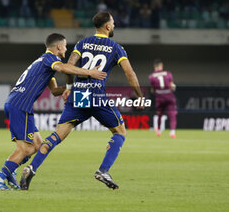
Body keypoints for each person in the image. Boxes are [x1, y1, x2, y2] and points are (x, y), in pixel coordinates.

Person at [20, 11, 144, 190]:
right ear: (107, 26)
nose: (115, 25)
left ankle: (32, 168)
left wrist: (69, 88)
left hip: (79, 94)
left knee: (57, 135)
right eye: (113, 23)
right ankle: (103, 170)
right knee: (120, 132)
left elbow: (69, 67)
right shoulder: (116, 47)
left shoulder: (82, 43)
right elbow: (129, 73)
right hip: (97, 95)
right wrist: (139, 96)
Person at [0, 33, 107, 190]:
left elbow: (55, 90)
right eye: (65, 45)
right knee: (24, 149)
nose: (66, 48)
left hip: (18, 104)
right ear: (58, 46)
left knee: (37, 146)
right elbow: (64, 68)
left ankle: (10, 172)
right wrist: (90, 72)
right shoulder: (50, 59)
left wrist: (72, 88)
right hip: (20, 105)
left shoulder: (43, 63)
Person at [149, 59, 177, 138]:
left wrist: (157, 93)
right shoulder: (168, 73)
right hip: (169, 96)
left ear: (154, 66)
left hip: (160, 97)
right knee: (172, 114)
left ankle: (158, 130)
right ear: (161, 66)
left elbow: (153, 89)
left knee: (160, 114)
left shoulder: (151, 76)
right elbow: (172, 86)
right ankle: (172, 132)